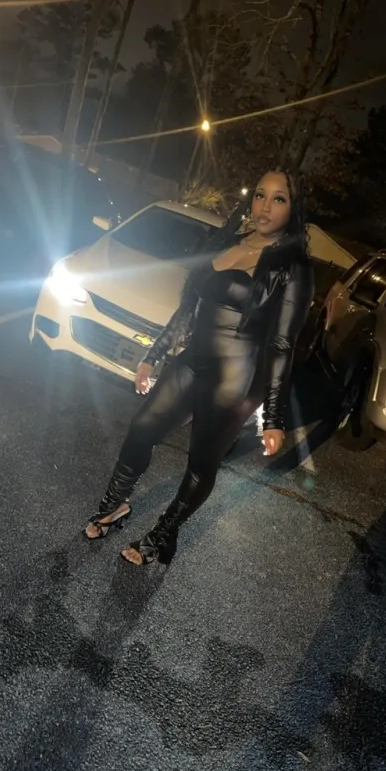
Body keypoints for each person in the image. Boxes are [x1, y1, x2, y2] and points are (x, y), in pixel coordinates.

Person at [84, 168, 314, 565]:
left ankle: (162, 534)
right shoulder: (228, 241)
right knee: (141, 429)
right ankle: (114, 506)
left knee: (201, 463)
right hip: (192, 360)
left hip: (234, 378)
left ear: (294, 209)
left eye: (279, 199)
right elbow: (188, 307)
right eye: (260, 195)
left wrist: (274, 417)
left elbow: (282, 344)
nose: (265, 206)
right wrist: (155, 354)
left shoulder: (294, 267)